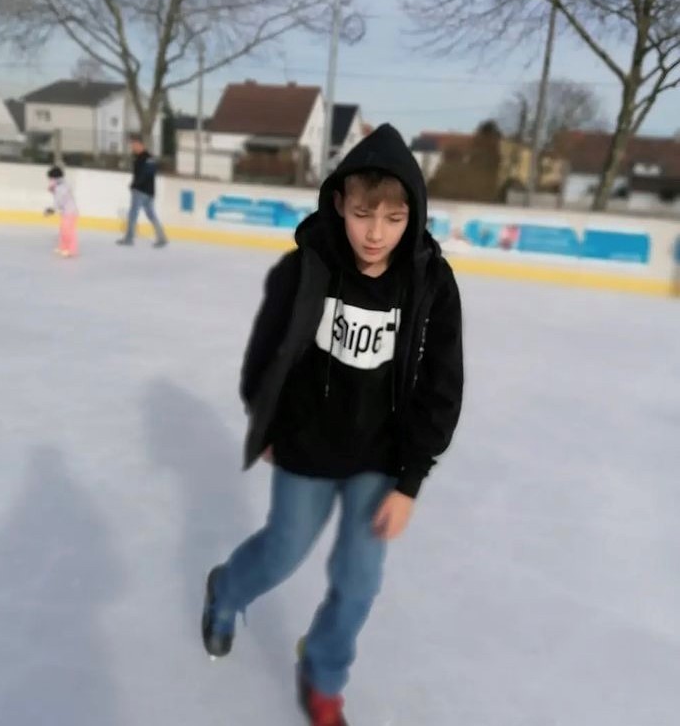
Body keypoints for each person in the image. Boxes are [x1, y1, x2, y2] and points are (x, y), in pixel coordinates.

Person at [202, 124, 464, 725]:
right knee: (282, 553)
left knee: (359, 581)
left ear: (413, 215)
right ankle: (226, 591)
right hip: (307, 443)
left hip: (381, 456)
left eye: (394, 218)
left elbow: (442, 384)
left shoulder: (430, 283)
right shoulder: (306, 268)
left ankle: (322, 675)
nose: (376, 233)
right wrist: (266, 421)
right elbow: (265, 353)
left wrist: (410, 481)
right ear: (340, 203)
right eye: (363, 213)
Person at [116, 133, 168, 248]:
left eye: (133, 145)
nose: (132, 147)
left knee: (133, 214)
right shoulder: (146, 158)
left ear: (139, 144)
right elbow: (148, 173)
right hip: (148, 191)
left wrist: (135, 185)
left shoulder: (145, 158)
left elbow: (146, 174)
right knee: (151, 215)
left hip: (141, 191)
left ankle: (129, 239)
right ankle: (162, 237)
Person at [44, 166, 78, 258]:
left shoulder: (61, 187)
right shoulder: (60, 184)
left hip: (70, 212)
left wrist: (51, 210)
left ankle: (71, 250)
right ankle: (63, 247)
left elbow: (58, 201)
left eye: (50, 178)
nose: (49, 180)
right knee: (63, 230)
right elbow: (55, 193)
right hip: (65, 211)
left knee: (68, 231)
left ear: (54, 178)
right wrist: (52, 188)